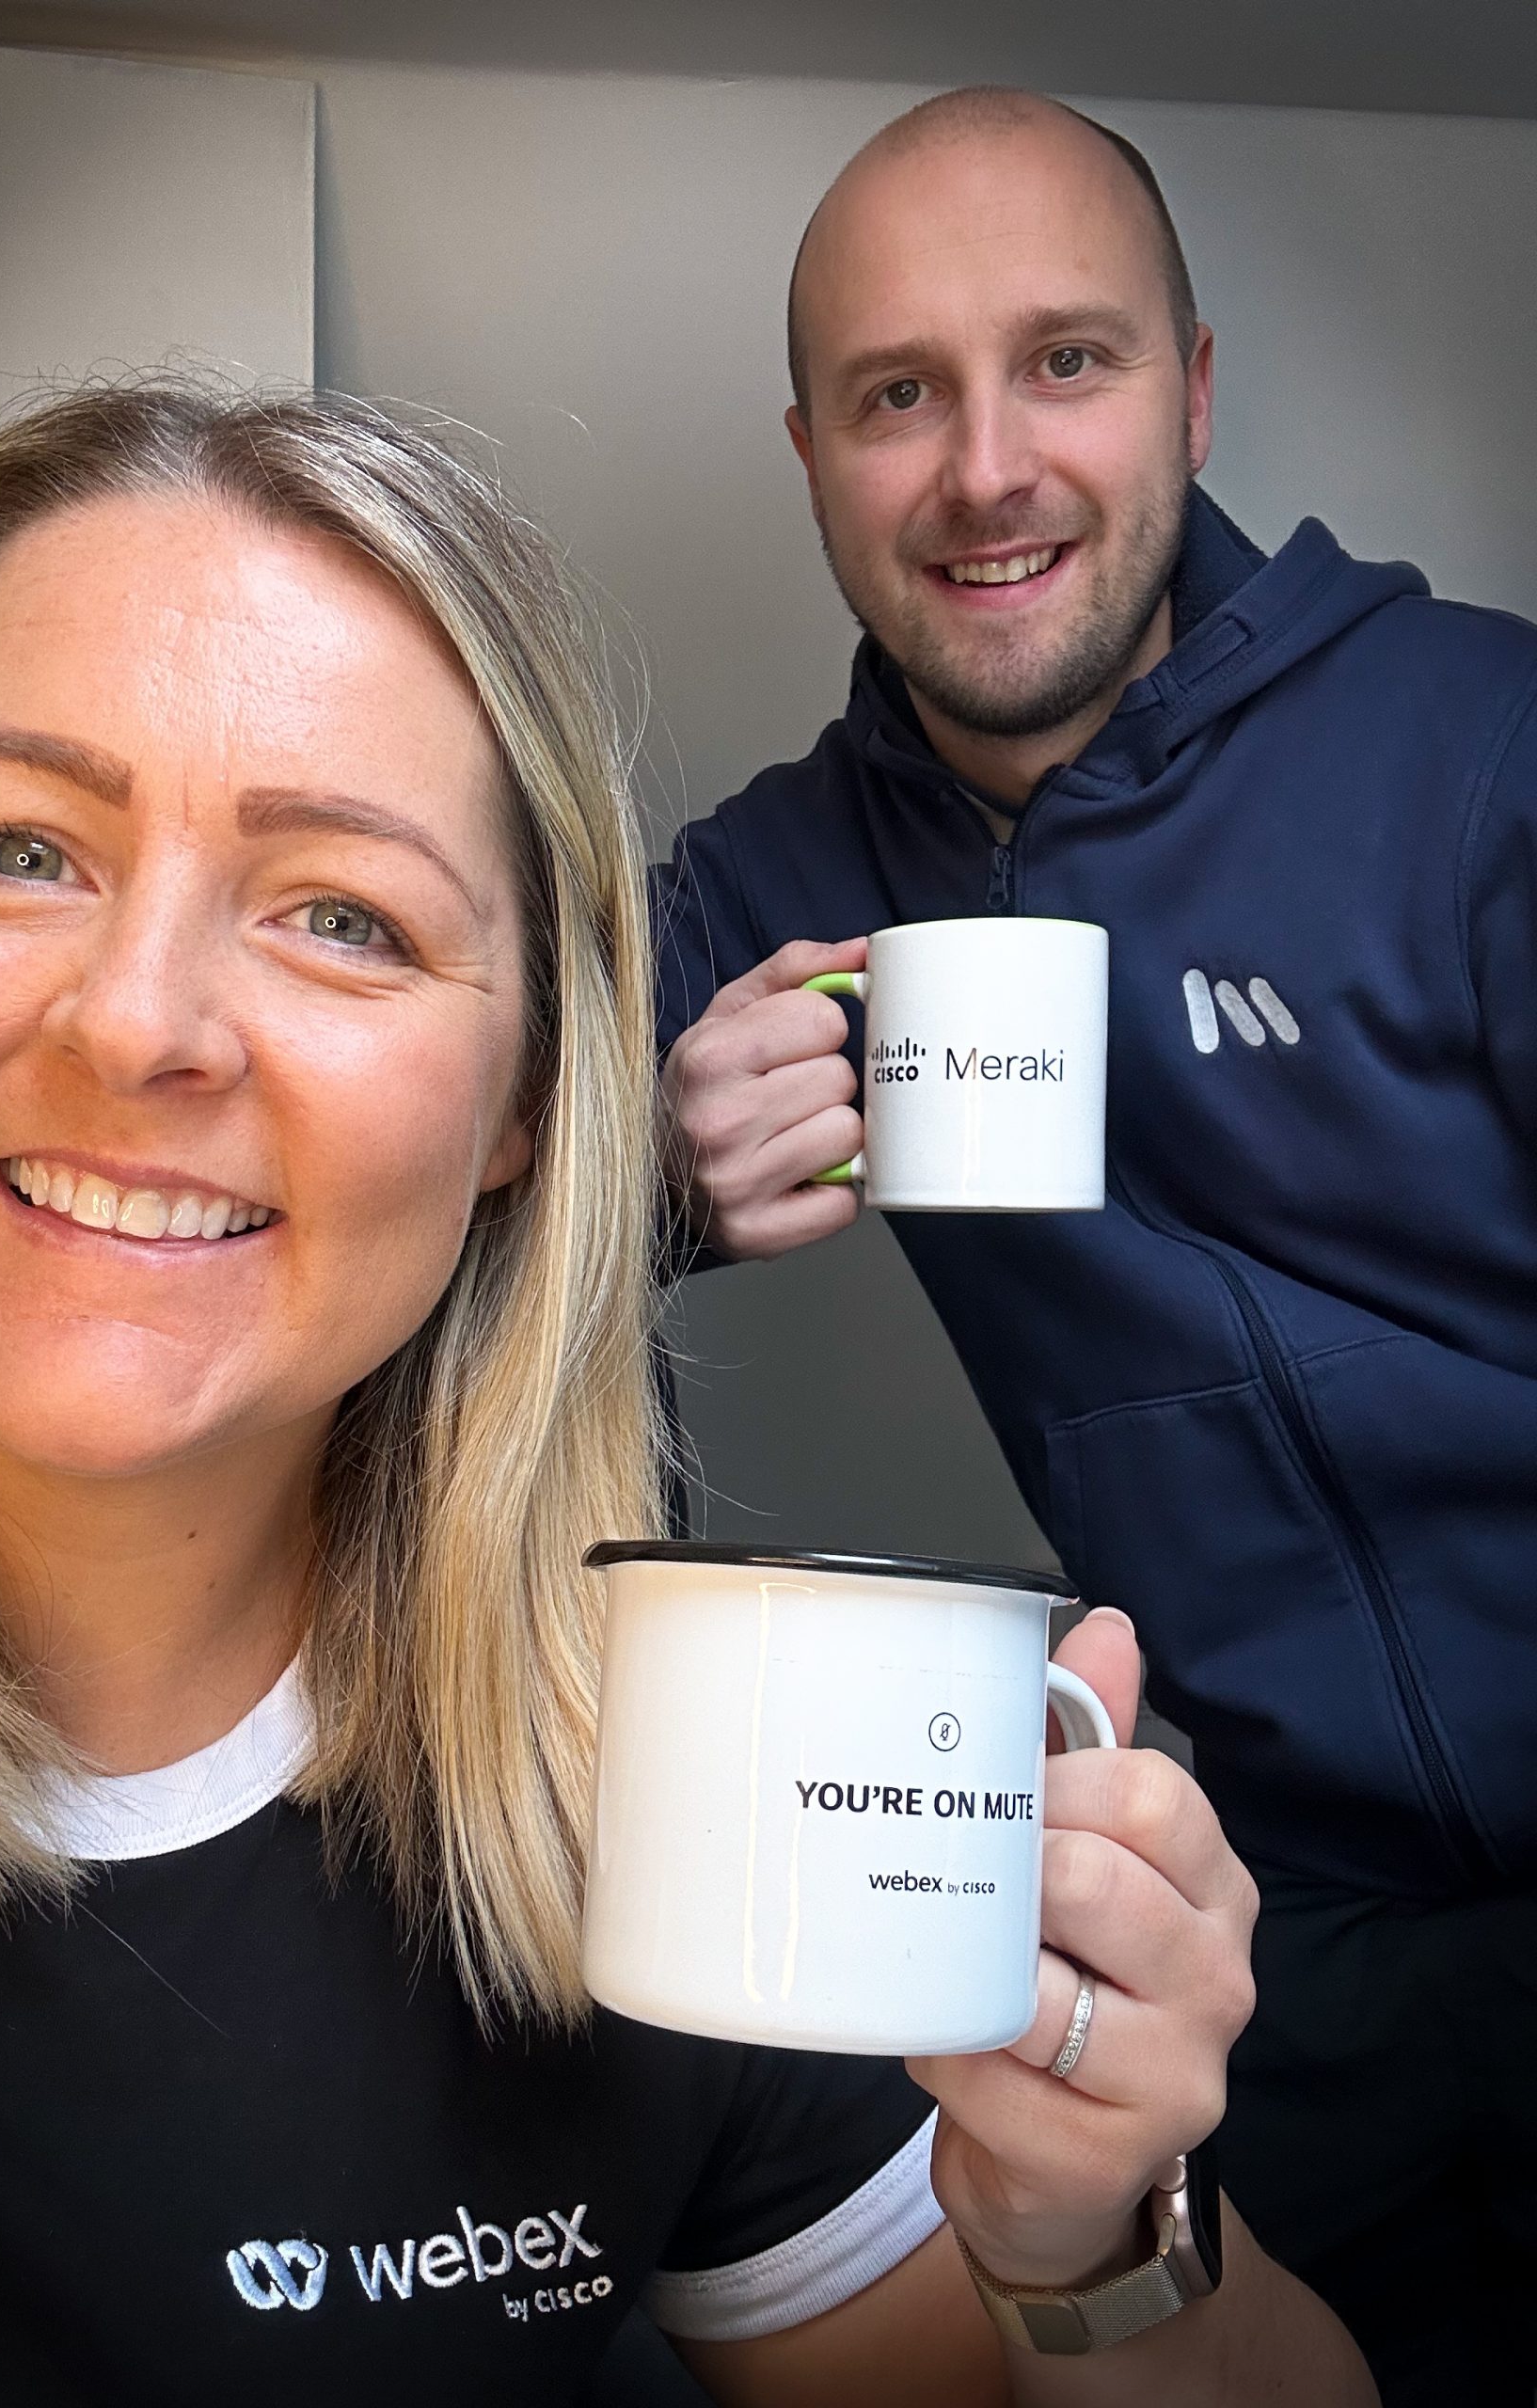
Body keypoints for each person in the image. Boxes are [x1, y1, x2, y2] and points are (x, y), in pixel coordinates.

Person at [0, 382, 1371, 2406]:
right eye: (12, 846)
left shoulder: (674, 1771)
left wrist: (1097, 2242)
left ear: (527, 1101)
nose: (138, 1018)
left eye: (345, 913)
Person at [656, 87, 1537, 2408]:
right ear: (813, 448)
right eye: (897, 395)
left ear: (1194, 387)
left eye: (1068, 360)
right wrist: (661, 1174)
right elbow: (419, 1162)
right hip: (1252, 1939)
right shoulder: (769, 892)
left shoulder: (1482, 746)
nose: (986, 471)